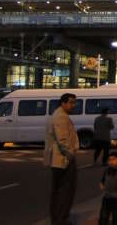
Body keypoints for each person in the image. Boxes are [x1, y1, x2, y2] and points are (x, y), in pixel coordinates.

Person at [44, 93, 80, 225]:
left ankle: (58, 218)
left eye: (75, 102)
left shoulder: (60, 115)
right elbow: (63, 140)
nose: (73, 105)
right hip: (62, 160)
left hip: (59, 159)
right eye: (71, 102)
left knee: (59, 191)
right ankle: (60, 219)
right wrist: (70, 155)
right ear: (63, 103)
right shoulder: (60, 117)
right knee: (64, 191)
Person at [98, 151, 117, 225]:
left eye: (113, 159)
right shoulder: (106, 170)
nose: (111, 162)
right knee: (103, 215)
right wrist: (102, 184)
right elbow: (102, 180)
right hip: (107, 196)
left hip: (116, 197)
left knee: (115, 215)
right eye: (109, 160)